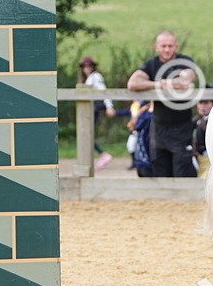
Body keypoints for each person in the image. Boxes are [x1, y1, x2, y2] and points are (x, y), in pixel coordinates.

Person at [127, 31, 199, 178]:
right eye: (163, 46)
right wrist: (158, 84)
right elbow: (132, 83)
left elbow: (185, 81)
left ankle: (184, 201)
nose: (167, 49)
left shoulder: (185, 61)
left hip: (182, 127)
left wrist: (167, 83)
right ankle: (166, 202)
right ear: (156, 47)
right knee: (160, 170)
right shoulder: (151, 64)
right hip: (159, 127)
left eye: (170, 46)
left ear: (176, 47)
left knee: (182, 170)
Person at [79, 57, 116, 170]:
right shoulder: (89, 78)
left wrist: (109, 106)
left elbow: (103, 91)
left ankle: (102, 154)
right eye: (84, 66)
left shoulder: (95, 77)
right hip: (89, 108)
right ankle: (99, 155)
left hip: (95, 107)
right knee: (87, 133)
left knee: (87, 133)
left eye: (89, 66)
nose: (87, 68)